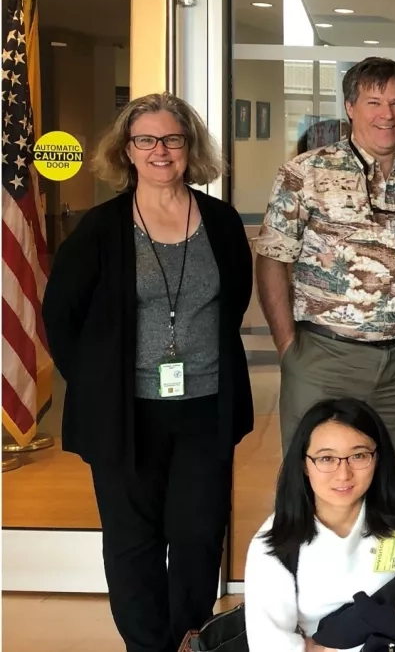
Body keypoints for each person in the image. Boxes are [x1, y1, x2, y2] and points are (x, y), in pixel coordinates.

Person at [42, 93, 253, 652]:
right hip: (124, 414)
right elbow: (61, 316)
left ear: (190, 148)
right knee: (133, 540)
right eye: (146, 140)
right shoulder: (100, 228)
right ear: (127, 151)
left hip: (205, 406)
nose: (160, 151)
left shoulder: (221, 222)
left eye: (172, 139)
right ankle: (145, 645)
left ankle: (188, 639)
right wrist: (97, 382)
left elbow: (231, 301)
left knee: (198, 535)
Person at [255, 56, 395, 485]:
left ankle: (383, 556)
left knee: (392, 483)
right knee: (315, 483)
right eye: (374, 102)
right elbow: (272, 259)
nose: (386, 114)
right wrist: (287, 346)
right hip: (325, 358)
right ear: (350, 107)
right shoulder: (306, 173)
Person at [245, 398, 395, 651]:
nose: (343, 474)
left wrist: (327, 647)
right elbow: (268, 644)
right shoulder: (275, 541)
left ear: (378, 457)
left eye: (359, 456)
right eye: (327, 459)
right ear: (304, 465)